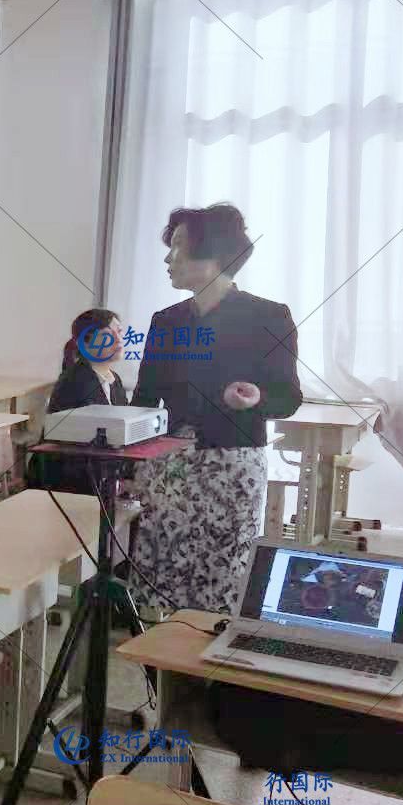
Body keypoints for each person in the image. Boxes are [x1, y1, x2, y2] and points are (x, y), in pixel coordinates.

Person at [129, 203, 302, 614]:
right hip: (168, 466)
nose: (168, 259)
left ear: (214, 253)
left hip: (233, 466)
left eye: (178, 247)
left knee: (223, 583)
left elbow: (288, 397)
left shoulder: (268, 316)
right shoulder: (166, 321)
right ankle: (160, 654)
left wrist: (257, 397)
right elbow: (144, 399)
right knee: (162, 577)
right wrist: (130, 464)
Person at [26, 309, 129, 495]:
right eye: (108, 335)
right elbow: (88, 442)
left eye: (120, 332)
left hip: (95, 474)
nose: (118, 339)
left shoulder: (115, 380)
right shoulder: (76, 381)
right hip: (65, 480)